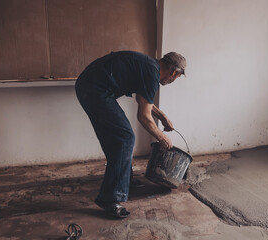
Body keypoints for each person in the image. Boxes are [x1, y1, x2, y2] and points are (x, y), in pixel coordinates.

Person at [75, 50, 186, 218]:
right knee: (125, 137)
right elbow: (143, 116)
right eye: (176, 77)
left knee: (116, 138)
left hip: (90, 87)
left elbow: (142, 100)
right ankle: (109, 198)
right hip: (95, 90)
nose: (173, 80)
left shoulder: (149, 67)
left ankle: (123, 180)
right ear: (174, 72)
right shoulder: (151, 73)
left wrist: (163, 117)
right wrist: (162, 137)